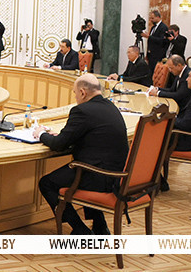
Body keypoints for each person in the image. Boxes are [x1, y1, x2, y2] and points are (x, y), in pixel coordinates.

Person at [33, 74, 129, 235]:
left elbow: (58, 145)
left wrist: (41, 134)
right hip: (117, 175)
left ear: (83, 92)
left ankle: (80, 230)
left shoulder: (82, 111)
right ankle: (100, 227)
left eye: (75, 93)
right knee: (84, 167)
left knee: (47, 183)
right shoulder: (110, 106)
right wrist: (63, 136)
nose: (76, 97)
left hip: (100, 176)